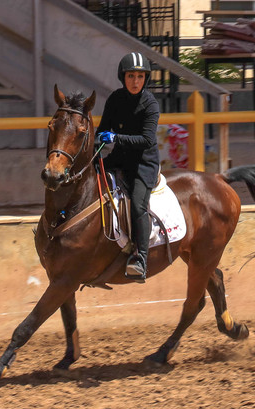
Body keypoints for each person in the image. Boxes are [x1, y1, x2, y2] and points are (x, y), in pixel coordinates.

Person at [95, 52, 160, 282]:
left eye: (140, 76)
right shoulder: (114, 99)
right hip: (119, 158)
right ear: (123, 77)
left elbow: (147, 140)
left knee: (138, 206)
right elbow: (102, 131)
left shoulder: (151, 104)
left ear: (146, 79)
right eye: (131, 76)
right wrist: (96, 149)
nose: (135, 81)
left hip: (143, 164)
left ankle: (140, 259)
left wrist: (115, 137)